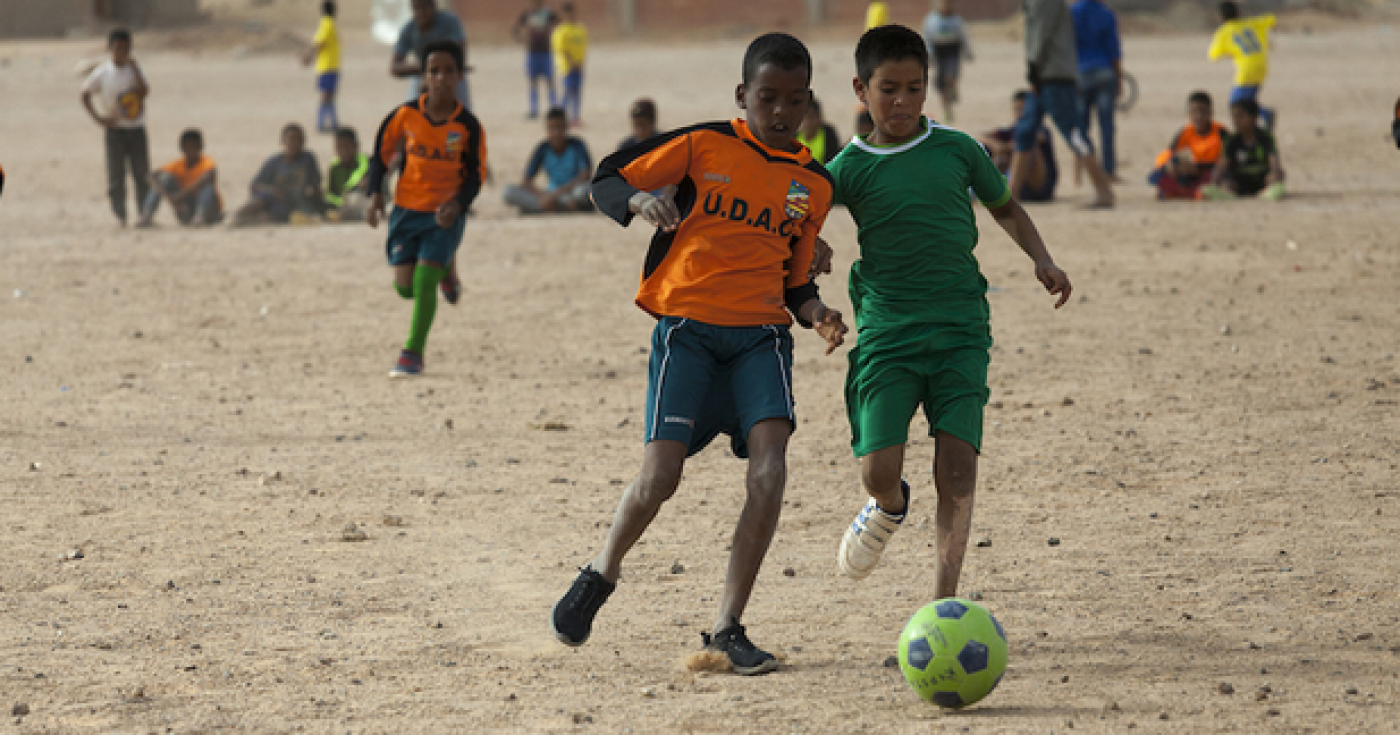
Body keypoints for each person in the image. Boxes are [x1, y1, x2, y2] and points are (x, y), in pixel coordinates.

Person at [550, 32, 848, 676]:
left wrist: (818, 313)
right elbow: (607, 179)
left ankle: (727, 627)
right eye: (766, 97)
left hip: (760, 342)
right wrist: (638, 199)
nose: (779, 112)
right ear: (743, 96)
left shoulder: (812, 185)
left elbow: (796, 281)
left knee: (770, 472)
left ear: (807, 106)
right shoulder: (702, 145)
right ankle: (602, 571)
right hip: (687, 333)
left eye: (793, 101)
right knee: (660, 478)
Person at [826, 25, 1071, 595]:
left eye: (915, 88)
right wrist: (813, 250)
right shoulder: (848, 167)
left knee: (958, 468)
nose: (903, 102)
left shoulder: (959, 149)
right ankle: (888, 506)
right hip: (889, 332)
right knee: (878, 471)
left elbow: (1005, 207)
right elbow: (803, 222)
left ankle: (943, 603)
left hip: (962, 328)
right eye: (889, 89)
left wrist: (1042, 258)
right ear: (861, 89)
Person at [367, 40, 487, 378]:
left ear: (459, 76)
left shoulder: (468, 126)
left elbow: (476, 175)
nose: (441, 78)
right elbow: (380, 155)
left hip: (444, 214)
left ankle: (412, 353)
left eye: (449, 71)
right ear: (424, 75)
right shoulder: (405, 116)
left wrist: (459, 204)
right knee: (403, 287)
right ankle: (447, 265)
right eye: (434, 70)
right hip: (406, 209)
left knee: (422, 281)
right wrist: (375, 193)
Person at [1011, 0, 1114, 208]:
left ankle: (1103, 191)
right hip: (1044, 75)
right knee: (1024, 131)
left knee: (1074, 133)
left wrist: (1033, 68)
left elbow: (1041, 33)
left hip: (1052, 76)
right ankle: (1011, 195)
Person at [81, 28, 150, 227]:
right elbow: (85, 93)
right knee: (116, 175)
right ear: (110, 48)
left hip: (136, 128)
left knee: (141, 172)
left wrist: (135, 69)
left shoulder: (134, 70)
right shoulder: (103, 72)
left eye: (125, 49)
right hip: (115, 130)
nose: (121, 52)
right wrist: (99, 118)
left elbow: (144, 92)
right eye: (118, 48)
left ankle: (143, 213)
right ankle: (120, 215)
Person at [233, 124, 324, 226]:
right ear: (283, 141)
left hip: (291, 203)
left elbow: (316, 187)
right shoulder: (275, 162)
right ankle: (237, 215)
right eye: (291, 140)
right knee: (261, 198)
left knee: (271, 217)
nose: (295, 143)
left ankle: (244, 222)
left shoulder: (307, 160)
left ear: (303, 141)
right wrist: (273, 191)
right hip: (273, 197)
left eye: (298, 140)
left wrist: (318, 207)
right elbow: (254, 185)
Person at [504, 107, 593, 213]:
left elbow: (585, 175)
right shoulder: (543, 148)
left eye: (559, 127)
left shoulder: (577, 145)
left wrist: (556, 194)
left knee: (584, 191)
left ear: (566, 127)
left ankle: (541, 208)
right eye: (552, 128)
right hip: (549, 194)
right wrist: (545, 196)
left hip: (571, 192)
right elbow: (526, 180)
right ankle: (559, 207)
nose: (556, 132)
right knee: (507, 192)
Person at [1071, 0, 1122, 178]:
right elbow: (1114, 51)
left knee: (1081, 126)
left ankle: (1082, 170)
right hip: (1104, 72)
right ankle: (1109, 170)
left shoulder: (1071, 13)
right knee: (1106, 125)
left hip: (1080, 73)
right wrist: (1119, 79)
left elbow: (1067, 47)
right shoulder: (1107, 14)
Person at [980, 90, 1058, 202]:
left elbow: (1038, 137)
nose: (1020, 113)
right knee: (984, 148)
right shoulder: (1011, 130)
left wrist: (1005, 147)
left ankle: (1009, 190)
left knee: (1030, 146)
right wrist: (995, 145)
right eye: (1017, 109)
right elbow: (978, 138)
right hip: (1017, 182)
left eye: (1023, 109)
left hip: (1039, 186)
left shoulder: (1040, 129)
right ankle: (988, 188)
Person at [1148, 91, 1227, 200]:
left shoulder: (1220, 132)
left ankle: (1186, 192)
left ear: (1210, 113)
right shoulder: (1185, 132)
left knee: (1222, 177)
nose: (1199, 116)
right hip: (1190, 170)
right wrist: (1171, 165)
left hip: (1212, 170)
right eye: (1194, 112)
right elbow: (1169, 154)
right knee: (1158, 175)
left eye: (1203, 112)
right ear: (1188, 113)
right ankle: (1186, 191)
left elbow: (1227, 158)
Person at [1209, 2, 1276, 130]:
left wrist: (1231, 52)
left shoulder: (1224, 31)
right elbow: (1270, 19)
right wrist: (1268, 39)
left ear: (1221, 17)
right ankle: (1254, 128)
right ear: (1238, 13)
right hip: (1262, 66)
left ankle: (1265, 114)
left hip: (1247, 70)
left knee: (1236, 103)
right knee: (1248, 102)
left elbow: (1213, 55)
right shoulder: (1250, 23)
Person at [393, 0, 471, 108]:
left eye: (424, 8)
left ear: (433, 6)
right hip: (421, 74)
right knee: (412, 110)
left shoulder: (449, 22)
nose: (421, 13)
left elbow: (460, 55)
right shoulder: (409, 29)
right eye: (417, 8)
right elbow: (395, 67)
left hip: (450, 73)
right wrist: (426, 71)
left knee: (463, 112)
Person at [1203, 98, 1285, 201]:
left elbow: (1273, 160)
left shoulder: (1265, 137)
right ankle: (1228, 194)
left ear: (1254, 117)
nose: (1236, 120)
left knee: (1277, 176)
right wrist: (1213, 184)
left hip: (1261, 179)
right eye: (1234, 117)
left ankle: (1267, 192)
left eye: (1240, 116)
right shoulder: (1232, 140)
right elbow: (1223, 164)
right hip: (1240, 181)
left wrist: (1275, 174)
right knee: (1226, 183)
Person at [137, 129, 222, 227]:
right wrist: (169, 198)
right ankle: (146, 215)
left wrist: (179, 195)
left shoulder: (207, 163)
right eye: (187, 147)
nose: (190, 151)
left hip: (209, 209)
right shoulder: (178, 165)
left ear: (201, 147)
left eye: (193, 147)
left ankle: (200, 216)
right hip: (185, 209)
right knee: (165, 177)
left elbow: (208, 177)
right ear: (182, 148)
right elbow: (150, 176)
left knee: (208, 187)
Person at [922, 0, 973, 123]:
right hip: (939, 51)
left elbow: (963, 36)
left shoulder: (956, 19)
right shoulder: (931, 19)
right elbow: (927, 38)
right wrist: (928, 54)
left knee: (950, 75)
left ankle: (953, 87)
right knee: (941, 84)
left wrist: (967, 51)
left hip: (952, 49)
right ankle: (947, 110)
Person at [514, 0, 558, 119]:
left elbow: (559, 26)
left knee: (549, 81)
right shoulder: (527, 14)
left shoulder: (548, 14)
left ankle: (553, 108)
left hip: (546, 52)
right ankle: (534, 109)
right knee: (533, 82)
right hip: (532, 52)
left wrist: (552, 38)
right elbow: (515, 30)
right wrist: (523, 40)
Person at [303, 1, 341, 134]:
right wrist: (309, 56)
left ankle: (332, 123)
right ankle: (322, 123)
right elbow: (320, 42)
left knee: (329, 96)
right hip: (328, 66)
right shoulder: (327, 23)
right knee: (326, 96)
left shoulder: (328, 23)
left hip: (330, 65)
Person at [552, 2, 588, 125]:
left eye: (572, 13)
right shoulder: (561, 31)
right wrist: (571, 62)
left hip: (579, 66)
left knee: (577, 91)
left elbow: (583, 47)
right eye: (568, 14)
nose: (571, 16)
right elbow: (561, 49)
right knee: (568, 91)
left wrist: (581, 63)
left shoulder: (580, 29)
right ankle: (561, 116)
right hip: (567, 67)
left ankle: (575, 117)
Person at [326, 127, 371, 221]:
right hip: (342, 204)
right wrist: (340, 201)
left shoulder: (365, 162)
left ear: (355, 146)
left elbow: (359, 180)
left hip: (363, 201)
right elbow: (330, 193)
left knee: (355, 199)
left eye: (346, 146)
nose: (342, 151)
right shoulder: (334, 166)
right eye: (339, 147)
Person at [797, 96, 841, 164]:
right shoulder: (794, 138)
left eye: (811, 117)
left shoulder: (828, 134)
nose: (807, 122)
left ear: (819, 118)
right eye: (803, 118)